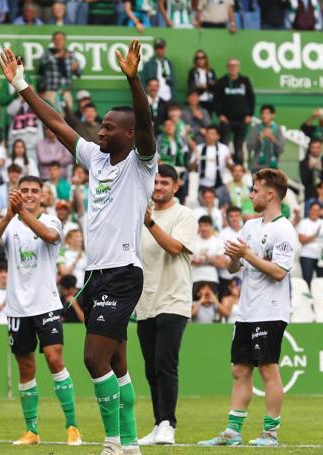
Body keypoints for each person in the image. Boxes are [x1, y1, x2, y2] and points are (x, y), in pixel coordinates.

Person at [0, 39, 156, 455]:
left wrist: (133, 79)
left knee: (91, 358)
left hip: (123, 271)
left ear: (127, 134)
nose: (99, 131)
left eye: (107, 127)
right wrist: (21, 85)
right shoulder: (97, 159)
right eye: (100, 126)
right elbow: (57, 124)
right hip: (96, 273)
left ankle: (111, 443)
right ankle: (132, 443)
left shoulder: (141, 163)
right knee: (117, 364)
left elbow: (146, 123)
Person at [199, 168, 298, 447]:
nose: (251, 194)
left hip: (271, 310)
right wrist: (233, 258)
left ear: (270, 194)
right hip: (246, 311)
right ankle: (232, 432)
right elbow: (234, 268)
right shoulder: (250, 226)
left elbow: (279, 272)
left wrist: (246, 255)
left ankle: (270, 433)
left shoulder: (285, 230)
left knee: (268, 370)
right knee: (240, 371)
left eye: (255, 190)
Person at [0, 176, 82, 446]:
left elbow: (49, 236)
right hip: (17, 308)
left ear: (43, 196)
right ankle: (32, 431)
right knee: (25, 368)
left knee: (54, 359)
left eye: (34, 191)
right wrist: (6, 217)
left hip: (47, 304)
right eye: (23, 190)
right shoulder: (11, 223)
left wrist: (22, 214)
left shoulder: (52, 221)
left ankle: (72, 426)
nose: (28, 194)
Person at [136, 164, 197, 446]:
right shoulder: (139, 213)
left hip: (174, 299)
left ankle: (168, 425)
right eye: (155, 182)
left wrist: (149, 222)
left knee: (165, 363)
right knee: (150, 368)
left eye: (164, 183)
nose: (158, 187)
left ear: (176, 186)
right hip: (145, 300)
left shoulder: (184, 215)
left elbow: (174, 248)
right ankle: (158, 422)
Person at [213, 59, 254, 163]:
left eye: (235, 65)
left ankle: (238, 167)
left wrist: (250, 115)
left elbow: (251, 98)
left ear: (239, 67)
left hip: (242, 119)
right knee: (224, 144)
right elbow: (216, 100)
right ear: (227, 67)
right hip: (226, 119)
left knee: (239, 146)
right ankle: (224, 164)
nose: (233, 68)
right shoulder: (222, 81)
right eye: (230, 65)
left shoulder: (245, 81)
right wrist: (220, 115)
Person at [37, 31, 81, 110]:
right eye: (56, 39)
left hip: (65, 92)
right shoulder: (48, 53)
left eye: (60, 39)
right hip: (51, 92)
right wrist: (56, 56)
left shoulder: (71, 55)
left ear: (64, 40)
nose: (58, 41)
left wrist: (76, 69)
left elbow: (79, 74)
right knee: (50, 117)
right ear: (53, 41)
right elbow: (41, 63)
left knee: (67, 118)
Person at [297, 202, 323, 287]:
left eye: (318, 210)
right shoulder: (304, 222)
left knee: (322, 281)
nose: (315, 212)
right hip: (307, 255)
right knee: (307, 281)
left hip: (322, 257)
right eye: (314, 210)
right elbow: (302, 240)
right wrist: (315, 235)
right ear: (309, 210)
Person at [191, 125, 234, 191]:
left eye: (212, 134)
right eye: (207, 133)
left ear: (218, 136)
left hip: (219, 185)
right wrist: (195, 160)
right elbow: (190, 168)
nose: (209, 136)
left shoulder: (224, 148)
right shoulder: (199, 148)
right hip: (201, 185)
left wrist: (227, 162)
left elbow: (232, 168)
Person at [192, 215, 226, 293]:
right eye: (201, 226)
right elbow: (187, 259)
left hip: (212, 278)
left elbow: (222, 264)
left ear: (211, 227)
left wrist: (208, 258)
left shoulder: (218, 241)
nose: (203, 229)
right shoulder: (193, 240)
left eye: (206, 226)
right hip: (194, 278)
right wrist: (194, 261)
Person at [246, 105, 284, 172]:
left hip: (273, 166)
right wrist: (259, 139)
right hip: (257, 167)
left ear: (273, 115)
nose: (264, 116)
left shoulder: (278, 129)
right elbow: (249, 147)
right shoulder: (256, 128)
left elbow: (281, 150)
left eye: (267, 113)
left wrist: (273, 139)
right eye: (262, 113)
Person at [141, 39, 176, 103]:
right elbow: (142, 81)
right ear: (154, 49)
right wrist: (147, 95)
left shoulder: (169, 63)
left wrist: (173, 96)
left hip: (168, 97)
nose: (159, 50)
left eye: (161, 48)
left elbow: (173, 82)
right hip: (153, 97)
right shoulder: (148, 64)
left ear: (165, 48)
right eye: (157, 48)